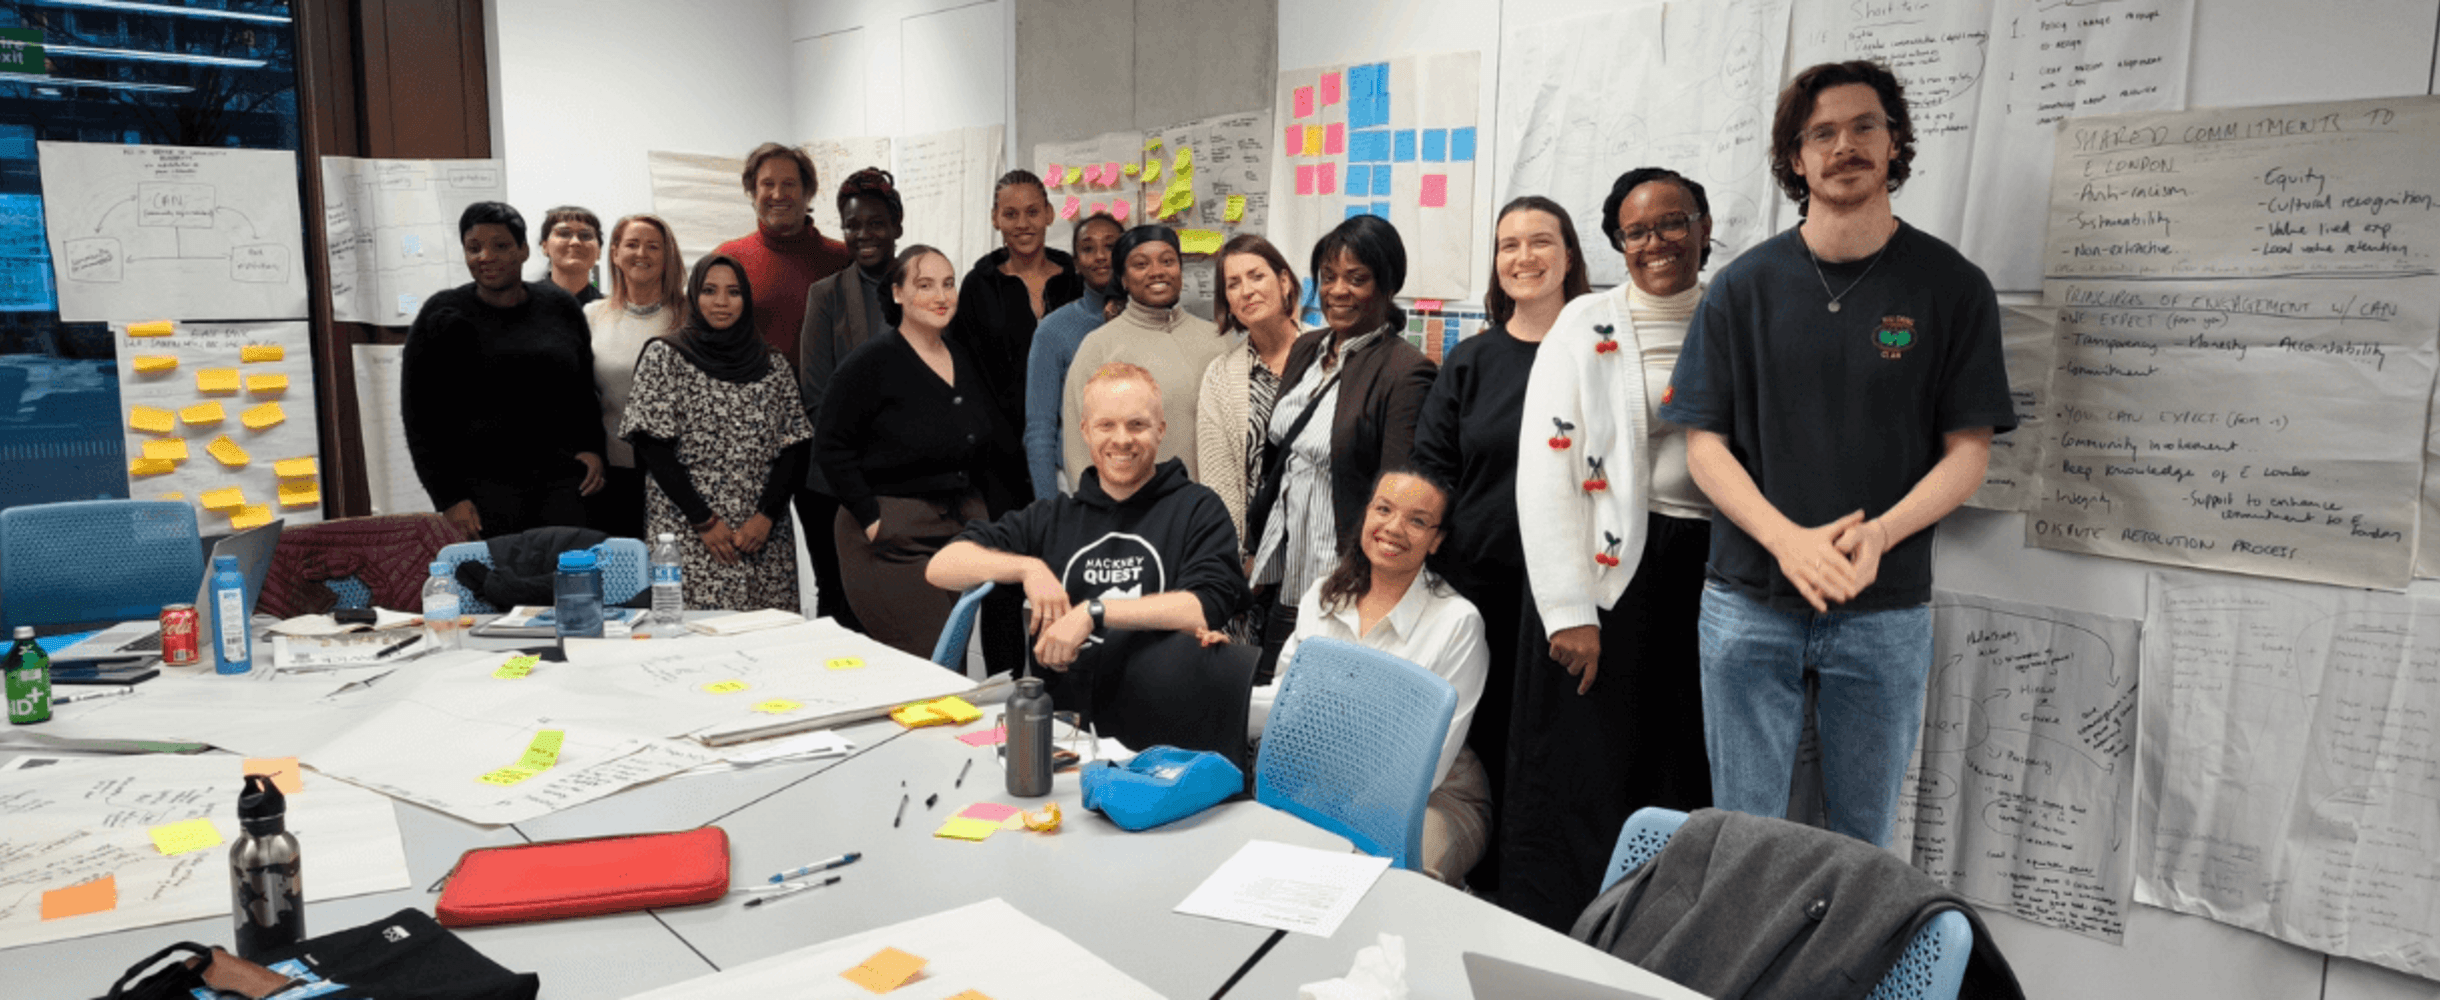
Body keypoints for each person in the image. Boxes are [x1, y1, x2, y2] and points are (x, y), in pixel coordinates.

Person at [1661, 61, 2015, 849]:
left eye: (1864, 126)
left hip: (1883, 606)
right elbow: (1703, 446)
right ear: (1794, 158)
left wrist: (1880, 533)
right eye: (1820, 133)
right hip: (1749, 600)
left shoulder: (1953, 288)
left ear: (1896, 144)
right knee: (1744, 838)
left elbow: (1968, 454)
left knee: (1863, 846)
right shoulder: (1742, 287)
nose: (1843, 145)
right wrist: (1788, 541)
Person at [1502, 171, 1718, 930]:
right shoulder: (1584, 323)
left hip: (1714, 572)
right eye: (1637, 231)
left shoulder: (1734, 313)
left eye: (1672, 223)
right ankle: (1569, 937)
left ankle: (1659, 940)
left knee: (1682, 768)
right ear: (1618, 243)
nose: (1656, 242)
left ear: (1704, 225)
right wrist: (1568, 610)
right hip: (1605, 575)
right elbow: (1546, 471)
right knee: (1589, 773)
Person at [927, 363, 1251, 758]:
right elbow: (942, 566)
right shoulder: (1051, 518)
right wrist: (1027, 568)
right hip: (1070, 742)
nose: (1122, 440)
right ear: (1084, 431)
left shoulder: (1198, 509)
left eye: (1137, 425)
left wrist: (1092, 612)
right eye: (1106, 426)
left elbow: (1203, 607)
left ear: (1161, 430)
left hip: (1165, 740)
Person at [1411, 196, 1590, 898]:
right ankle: (1477, 887)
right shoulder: (1472, 360)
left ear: (1569, 255)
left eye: (1540, 241)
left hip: (1569, 597)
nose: (1523, 258)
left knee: (1551, 752)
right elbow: (1433, 469)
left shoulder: (1598, 354)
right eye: (1508, 245)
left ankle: (1543, 894)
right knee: (1478, 747)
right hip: (1478, 590)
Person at [1249, 468, 1487, 887]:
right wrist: (1217, 694)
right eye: (1384, 509)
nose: (1393, 528)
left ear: (1437, 539)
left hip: (1432, 793)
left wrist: (1335, 827)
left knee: (1387, 887)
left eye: (1417, 520)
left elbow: (1426, 765)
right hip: (1325, 779)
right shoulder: (1323, 595)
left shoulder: (1458, 623)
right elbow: (1287, 707)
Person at [1246, 215, 1436, 680]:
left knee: (1324, 703)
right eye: (1328, 277)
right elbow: (1279, 457)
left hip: (1342, 573)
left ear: (1386, 284)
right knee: (1272, 699)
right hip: (1280, 565)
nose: (1337, 290)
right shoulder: (1307, 348)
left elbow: (1397, 490)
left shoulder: (1405, 370)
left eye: (1357, 279)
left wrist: (1368, 578)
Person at [817, 245, 1026, 660]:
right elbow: (830, 446)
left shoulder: (961, 358)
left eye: (948, 284)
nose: (941, 296)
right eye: (925, 285)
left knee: (952, 662)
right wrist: (874, 520)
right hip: (891, 541)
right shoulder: (871, 363)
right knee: (932, 661)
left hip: (956, 535)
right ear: (897, 293)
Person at [619, 254, 813, 612]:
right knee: (694, 644)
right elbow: (652, 447)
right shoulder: (665, 356)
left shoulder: (773, 365)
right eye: (709, 291)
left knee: (769, 642)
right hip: (688, 532)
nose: (722, 302)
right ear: (693, 296)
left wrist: (767, 516)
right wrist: (704, 521)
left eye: (734, 292)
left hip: (762, 537)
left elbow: (796, 445)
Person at [401, 201, 604, 541]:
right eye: (473, 248)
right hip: (483, 493)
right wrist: (448, 497)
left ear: (524, 251)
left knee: (569, 582)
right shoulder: (442, 314)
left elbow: (583, 388)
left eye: (500, 246)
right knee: (498, 588)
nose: (486, 257)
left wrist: (592, 446)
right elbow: (420, 416)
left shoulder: (560, 306)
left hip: (562, 483)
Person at [717, 141, 854, 616]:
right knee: (754, 571)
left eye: (789, 184)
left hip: (825, 439)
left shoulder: (841, 258)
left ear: (809, 191)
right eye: (766, 184)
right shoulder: (729, 262)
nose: (777, 194)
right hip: (755, 443)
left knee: (835, 572)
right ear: (751, 192)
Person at [797, 166, 907, 631]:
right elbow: (817, 398)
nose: (864, 235)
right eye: (852, 225)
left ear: (897, 227)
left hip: (907, 483)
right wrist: (861, 470)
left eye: (876, 223)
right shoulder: (826, 296)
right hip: (837, 484)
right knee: (842, 606)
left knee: (904, 605)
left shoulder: (923, 288)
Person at [951, 170, 1083, 507]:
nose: (1022, 224)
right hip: (1001, 459)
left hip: (1078, 446)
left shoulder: (1077, 279)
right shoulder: (977, 286)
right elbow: (966, 372)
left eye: (1032, 212)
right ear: (995, 219)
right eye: (1010, 214)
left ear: (1049, 215)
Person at [1060, 225, 1231, 485]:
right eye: (1141, 264)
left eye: (1167, 261)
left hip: (1213, 514)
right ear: (1123, 279)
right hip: (1132, 516)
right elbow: (1079, 448)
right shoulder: (1100, 347)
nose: (1157, 272)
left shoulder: (1219, 341)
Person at [582, 213, 686, 539]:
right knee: (625, 578)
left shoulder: (690, 315)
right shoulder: (591, 315)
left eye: (653, 246)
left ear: (668, 256)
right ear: (614, 253)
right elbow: (580, 395)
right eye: (632, 244)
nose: (642, 253)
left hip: (684, 473)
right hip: (615, 473)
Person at [1196, 235, 1301, 558]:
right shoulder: (1220, 376)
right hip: (1255, 558)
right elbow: (1218, 480)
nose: (1247, 290)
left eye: (1257, 276)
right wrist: (1236, 558)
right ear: (1227, 301)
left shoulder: (1330, 358)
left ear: (1283, 281)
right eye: (1233, 283)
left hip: (1326, 549)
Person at [1023, 212, 1124, 498]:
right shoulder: (1053, 331)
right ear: (1077, 264)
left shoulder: (1148, 323)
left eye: (1111, 247)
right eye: (1088, 248)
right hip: (1075, 482)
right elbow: (1040, 428)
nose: (1101, 256)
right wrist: (1048, 508)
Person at [537, 206, 604, 305]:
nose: (575, 242)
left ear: (599, 251)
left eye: (585, 235)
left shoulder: (615, 312)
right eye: (564, 234)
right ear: (544, 246)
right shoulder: (517, 307)